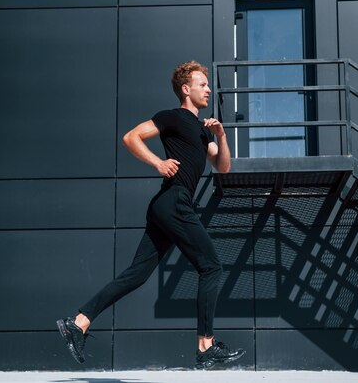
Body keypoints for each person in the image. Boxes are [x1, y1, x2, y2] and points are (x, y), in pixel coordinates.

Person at [57, 61, 245, 369]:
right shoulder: (172, 117)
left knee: (137, 274)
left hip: (167, 205)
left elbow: (223, 167)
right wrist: (158, 163)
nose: (208, 89)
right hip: (174, 201)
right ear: (186, 90)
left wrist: (221, 136)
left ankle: (78, 322)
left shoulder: (202, 131)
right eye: (202, 84)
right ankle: (205, 346)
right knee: (211, 266)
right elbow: (131, 137)